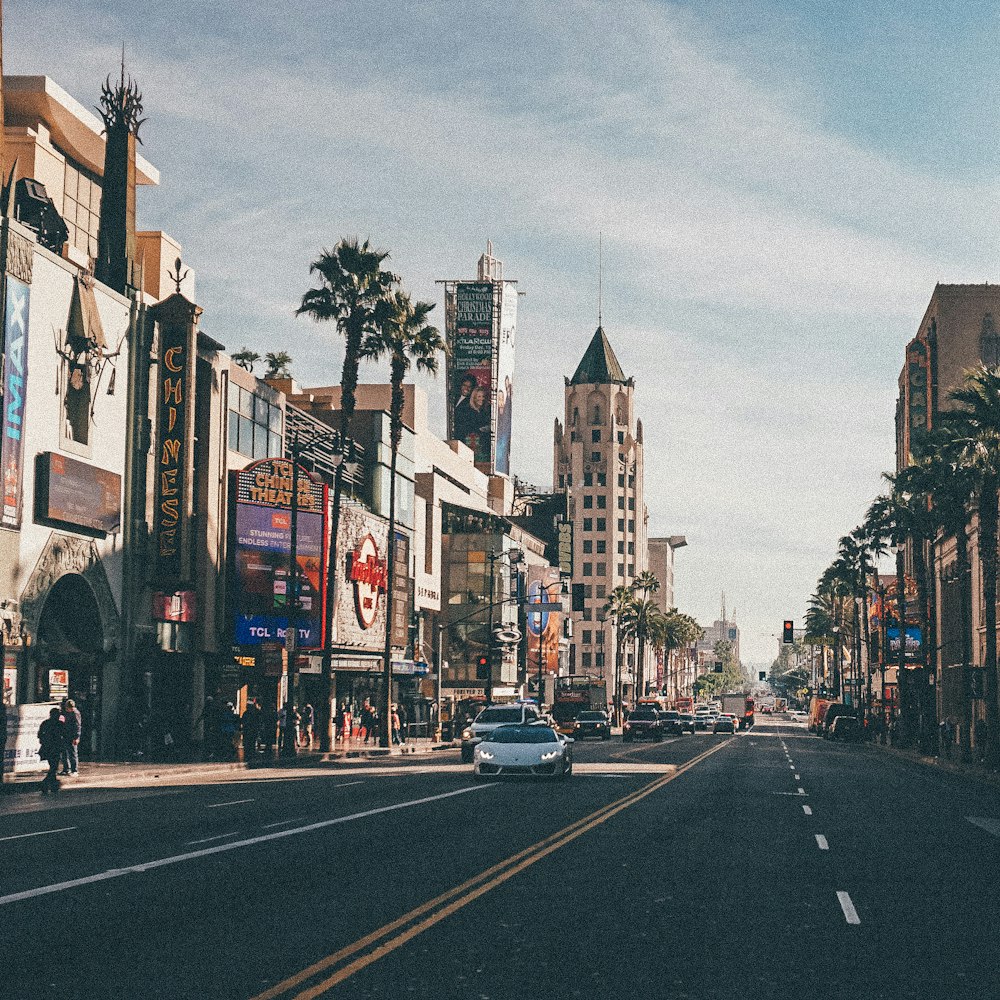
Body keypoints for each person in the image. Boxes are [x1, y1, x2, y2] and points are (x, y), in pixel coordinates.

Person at [37, 707, 65, 795]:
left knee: (53, 766)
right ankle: (45, 783)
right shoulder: (59, 724)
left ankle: (53, 785)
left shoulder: (45, 723)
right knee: (54, 767)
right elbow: (64, 734)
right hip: (55, 748)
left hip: (47, 748)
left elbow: (39, 735)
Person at [59, 697, 82, 776]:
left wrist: (77, 737)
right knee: (64, 753)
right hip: (65, 734)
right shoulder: (65, 712)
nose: (68, 709)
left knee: (72, 753)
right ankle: (66, 769)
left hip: (72, 736)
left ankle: (74, 770)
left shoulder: (75, 713)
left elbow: (78, 726)